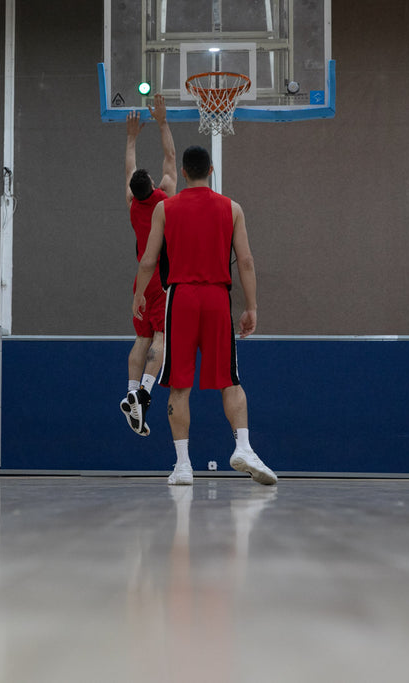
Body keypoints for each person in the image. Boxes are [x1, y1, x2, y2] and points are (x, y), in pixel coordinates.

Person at [132, 145, 277, 487]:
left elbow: (148, 259)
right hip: (216, 298)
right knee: (230, 379)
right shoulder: (233, 208)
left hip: (179, 298)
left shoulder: (165, 208)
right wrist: (252, 306)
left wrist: (139, 293)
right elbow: (246, 261)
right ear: (211, 171)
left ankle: (183, 465)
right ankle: (243, 446)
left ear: (182, 173)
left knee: (179, 386)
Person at [120, 93, 177, 437]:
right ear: (153, 185)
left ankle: (130, 390)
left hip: (139, 282)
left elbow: (130, 170)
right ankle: (144, 391)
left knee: (140, 339)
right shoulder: (165, 198)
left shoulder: (132, 204)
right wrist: (162, 121)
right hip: (161, 279)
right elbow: (170, 156)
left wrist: (130, 137)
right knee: (162, 337)